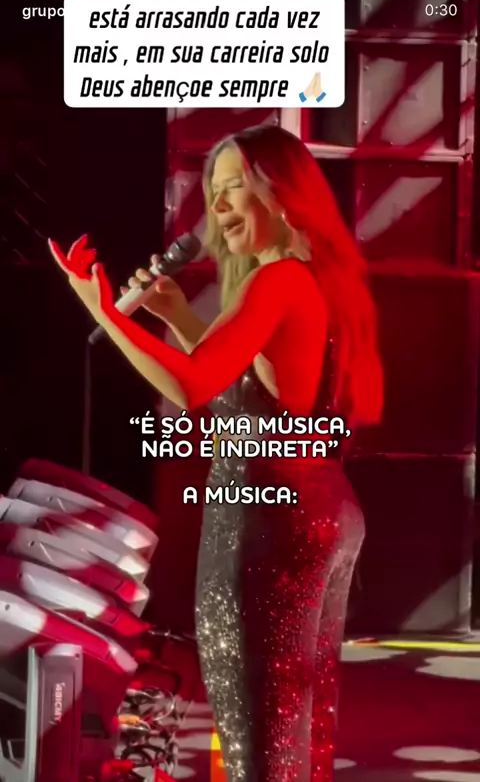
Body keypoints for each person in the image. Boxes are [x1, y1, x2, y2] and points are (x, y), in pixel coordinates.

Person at [49, 124, 383, 782]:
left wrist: (105, 311)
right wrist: (178, 317)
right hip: (321, 507)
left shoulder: (275, 280)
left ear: (280, 194)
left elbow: (194, 386)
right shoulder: (312, 278)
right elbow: (256, 391)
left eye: (233, 188)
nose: (218, 206)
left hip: (270, 520)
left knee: (259, 734)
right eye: (213, 191)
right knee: (301, 728)